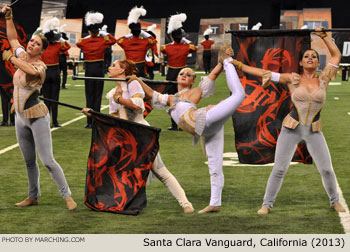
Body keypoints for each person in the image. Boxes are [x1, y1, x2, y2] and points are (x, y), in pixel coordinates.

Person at [230, 27, 346, 214]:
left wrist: (323, 36)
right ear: (300, 62)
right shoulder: (292, 79)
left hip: (314, 130)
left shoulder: (324, 79)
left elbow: (336, 56)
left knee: (327, 170)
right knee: (279, 169)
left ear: (317, 62)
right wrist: (238, 64)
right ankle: (266, 205)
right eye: (306, 56)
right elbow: (261, 72)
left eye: (314, 57)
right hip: (291, 129)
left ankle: (334, 201)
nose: (310, 58)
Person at [138, 45, 245, 213]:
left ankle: (229, 62)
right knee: (215, 165)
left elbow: (213, 75)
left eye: (188, 75)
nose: (184, 75)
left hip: (204, 119)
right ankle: (215, 203)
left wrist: (222, 62)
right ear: (177, 78)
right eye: (182, 73)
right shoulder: (171, 98)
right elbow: (151, 93)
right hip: (204, 129)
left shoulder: (196, 91)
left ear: (192, 81)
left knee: (239, 95)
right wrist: (137, 80)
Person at [82, 59, 194, 214]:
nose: (109, 67)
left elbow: (137, 105)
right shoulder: (113, 93)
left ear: (122, 70)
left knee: (160, 171)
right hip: (124, 138)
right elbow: (114, 119)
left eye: (113, 65)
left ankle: (186, 203)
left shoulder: (133, 85)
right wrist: (93, 114)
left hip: (141, 135)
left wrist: (120, 99)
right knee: (120, 172)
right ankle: (120, 203)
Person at [1, 5, 76, 210]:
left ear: (42, 50)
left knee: (48, 160)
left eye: (36, 44)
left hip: (37, 117)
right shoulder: (23, 56)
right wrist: (9, 17)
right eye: (31, 41)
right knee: (29, 161)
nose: (31, 44)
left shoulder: (41, 66)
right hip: (19, 117)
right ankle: (33, 196)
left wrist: (11, 57)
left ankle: (67, 196)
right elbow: (13, 39)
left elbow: (29, 72)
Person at [76, 11, 117, 129]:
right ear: (98, 31)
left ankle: (89, 122)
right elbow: (113, 40)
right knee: (98, 95)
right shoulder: (102, 40)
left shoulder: (84, 42)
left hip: (89, 70)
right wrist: (102, 33)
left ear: (89, 31)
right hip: (99, 69)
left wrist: (90, 35)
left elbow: (78, 43)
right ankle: (96, 120)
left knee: (89, 95)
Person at [161, 13, 198, 131]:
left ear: (172, 37)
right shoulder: (187, 47)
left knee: (172, 99)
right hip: (183, 75)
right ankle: (183, 123)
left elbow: (162, 49)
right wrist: (184, 40)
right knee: (183, 100)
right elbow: (194, 48)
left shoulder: (167, 47)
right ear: (181, 37)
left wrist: (175, 41)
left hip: (171, 74)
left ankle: (174, 124)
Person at [41, 17, 71, 128]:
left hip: (45, 72)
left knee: (46, 99)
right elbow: (67, 46)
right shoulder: (58, 45)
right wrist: (61, 39)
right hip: (55, 72)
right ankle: (55, 121)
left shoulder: (42, 47)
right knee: (55, 98)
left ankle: (46, 122)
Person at [116, 6, 156, 78]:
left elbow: (118, 41)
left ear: (131, 32)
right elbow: (154, 41)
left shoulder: (126, 42)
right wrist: (143, 33)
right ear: (139, 32)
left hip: (129, 67)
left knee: (128, 85)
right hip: (140, 68)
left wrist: (129, 35)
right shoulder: (145, 42)